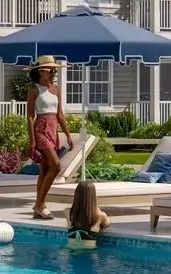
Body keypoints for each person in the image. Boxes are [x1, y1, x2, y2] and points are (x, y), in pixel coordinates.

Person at [24, 56, 72, 220]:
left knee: (45, 169)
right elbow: (30, 116)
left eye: (54, 71)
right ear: (41, 71)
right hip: (41, 129)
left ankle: (39, 206)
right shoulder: (34, 89)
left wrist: (67, 135)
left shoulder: (56, 89)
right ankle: (39, 204)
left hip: (53, 130)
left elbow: (60, 114)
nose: (53, 73)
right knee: (56, 166)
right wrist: (32, 140)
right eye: (51, 70)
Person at [65, 182, 110, 249]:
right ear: (93, 196)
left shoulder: (68, 212)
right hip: (89, 252)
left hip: (70, 250)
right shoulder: (100, 215)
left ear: (76, 195)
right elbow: (106, 224)